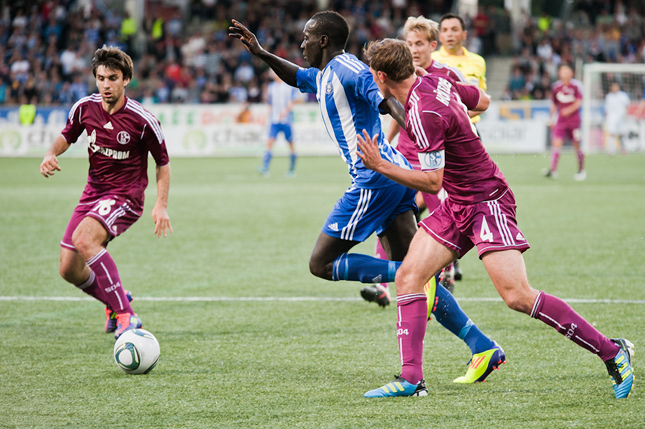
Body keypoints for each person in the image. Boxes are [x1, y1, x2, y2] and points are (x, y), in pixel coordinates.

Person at [230, 12, 505, 384]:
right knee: (417, 277)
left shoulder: (349, 70)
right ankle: (481, 345)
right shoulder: (326, 75)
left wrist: (422, 134)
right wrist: (261, 52)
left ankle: (408, 277)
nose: (302, 43)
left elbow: (386, 99)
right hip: (391, 176)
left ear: (324, 41)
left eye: (308, 36)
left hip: (374, 180)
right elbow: (297, 77)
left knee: (322, 264)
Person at [356, 38, 634, 399]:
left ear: (380, 76)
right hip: (459, 201)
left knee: (517, 295)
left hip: (486, 201)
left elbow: (431, 181)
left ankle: (613, 352)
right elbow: (479, 100)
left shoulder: (423, 112)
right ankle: (411, 379)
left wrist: (381, 165)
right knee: (409, 275)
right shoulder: (434, 81)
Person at [39, 46, 172, 340]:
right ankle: (115, 302)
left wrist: (160, 204)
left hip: (126, 196)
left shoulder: (142, 119)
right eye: (100, 78)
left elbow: (162, 162)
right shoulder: (84, 108)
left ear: (126, 80)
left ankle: (127, 316)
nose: (105, 85)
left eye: (112, 78)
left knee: (84, 240)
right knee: (68, 268)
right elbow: (67, 135)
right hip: (93, 192)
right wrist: (51, 153)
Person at [366, 15, 468, 300]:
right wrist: (387, 141)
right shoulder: (401, 76)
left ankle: (441, 270)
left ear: (431, 46)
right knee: (389, 212)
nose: (413, 49)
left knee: (434, 213)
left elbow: (475, 102)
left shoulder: (444, 75)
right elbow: (400, 114)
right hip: (407, 154)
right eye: (409, 43)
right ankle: (383, 285)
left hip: (435, 159)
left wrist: (451, 125)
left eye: (419, 43)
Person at [544, 64, 586, 181]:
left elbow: (578, 102)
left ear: (571, 73)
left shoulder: (576, 85)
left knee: (577, 145)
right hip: (561, 121)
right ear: (559, 73)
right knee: (556, 144)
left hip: (574, 121)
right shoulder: (556, 87)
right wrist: (551, 118)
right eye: (563, 71)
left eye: (567, 71)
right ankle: (552, 170)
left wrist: (568, 110)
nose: (565, 73)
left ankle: (581, 170)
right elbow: (553, 103)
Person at [260, 71, 300, 177]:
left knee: (291, 144)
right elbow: (270, 103)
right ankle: (265, 168)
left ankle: (292, 169)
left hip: (286, 120)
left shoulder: (288, 86)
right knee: (269, 143)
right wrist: (266, 117)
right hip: (274, 120)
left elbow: (292, 101)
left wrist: (285, 112)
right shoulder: (271, 87)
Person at [604, 81, 631, 155]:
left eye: (616, 86)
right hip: (612, 117)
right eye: (613, 86)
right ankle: (611, 150)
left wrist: (626, 115)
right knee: (612, 133)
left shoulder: (623, 95)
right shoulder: (609, 96)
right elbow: (607, 108)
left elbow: (627, 106)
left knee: (622, 133)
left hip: (622, 117)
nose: (614, 88)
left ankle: (624, 149)